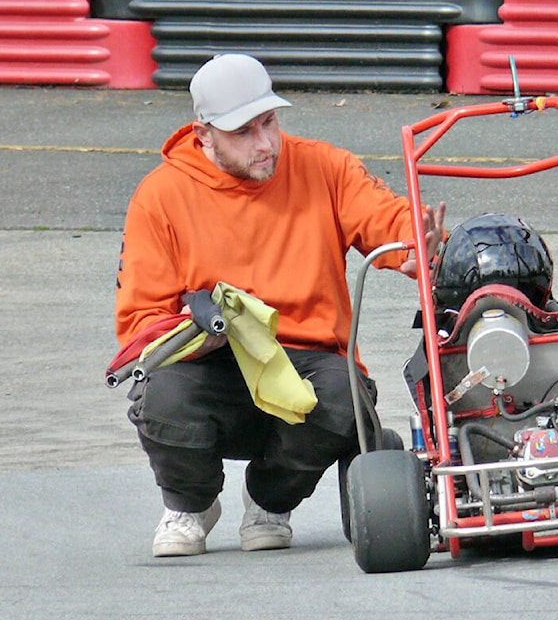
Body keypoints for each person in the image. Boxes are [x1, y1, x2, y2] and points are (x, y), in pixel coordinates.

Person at [115, 53, 446, 557]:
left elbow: (387, 218)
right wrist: (198, 324)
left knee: (346, 398)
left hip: (307, 362)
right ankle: (190, 503)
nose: (266, 143)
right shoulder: (159, 197)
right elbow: (139, 326)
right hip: (213, 361)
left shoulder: (323, 165)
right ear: (203, 135)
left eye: (269, 121)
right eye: (244, 132)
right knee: (159, 395)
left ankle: (268, 500)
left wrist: (414, 239)